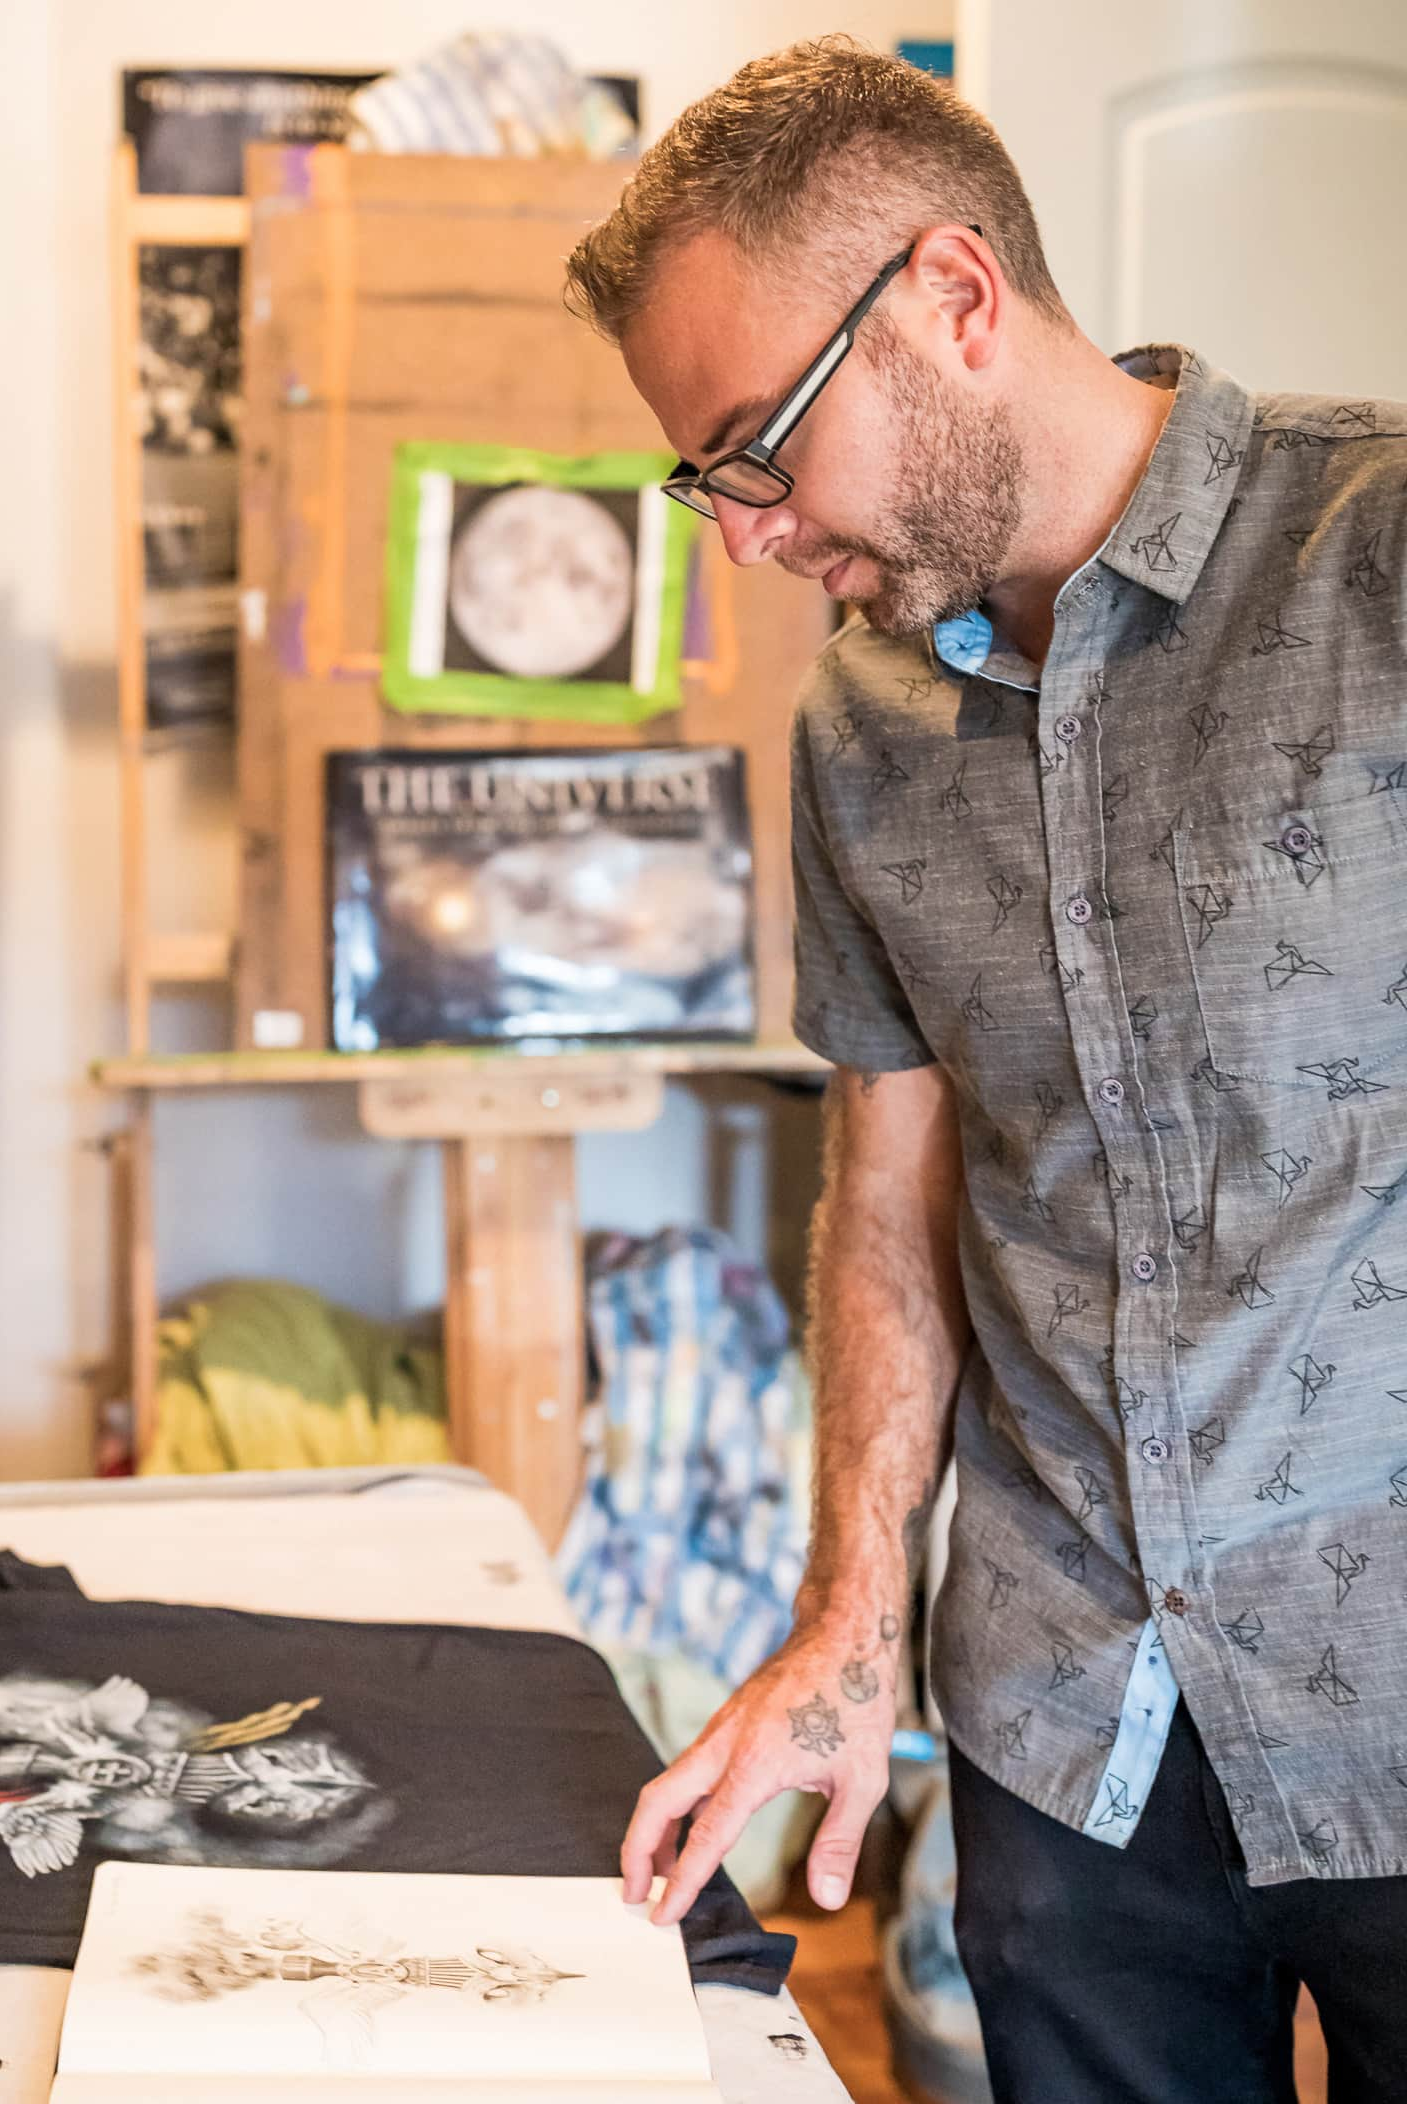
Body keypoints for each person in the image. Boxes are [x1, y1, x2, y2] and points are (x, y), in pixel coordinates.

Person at [565, 35, 1407, 2104]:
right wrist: (847, 1631)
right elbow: (889, 1196)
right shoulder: (856, 728)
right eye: (706, 476)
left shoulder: (1376, 558)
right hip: (1065, 1726)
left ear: (951, 296)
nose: (741, 537)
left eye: (752, 446)